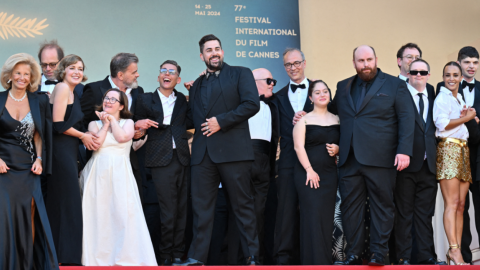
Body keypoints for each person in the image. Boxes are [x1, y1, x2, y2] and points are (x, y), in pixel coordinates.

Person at [176, 34, 260, 266]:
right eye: (209, 50)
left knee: (242, 206)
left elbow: (252, 104)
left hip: (234, 151)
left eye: (217, 49)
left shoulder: (241, 73)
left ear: (222, 51)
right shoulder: (196, 85)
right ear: (201, 55)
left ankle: (252, 256)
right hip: (203, 155)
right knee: (201, 209)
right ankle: (196, 257)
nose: (214, 53)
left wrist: (221, 121)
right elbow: (193, 118)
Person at [330, 45, 415, 266]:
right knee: (350, 209)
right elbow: (329, 110)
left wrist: (404, 150)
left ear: (376, 59)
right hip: (349, 158)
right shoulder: (343, 86)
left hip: (382, 157)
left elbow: (407, 119)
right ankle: (354, 253)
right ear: (354, 62)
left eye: (369, 59)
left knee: (382, 206)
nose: (365, 64)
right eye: (361, 61)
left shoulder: (395, 85)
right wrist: (307, 110)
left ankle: (379, 253)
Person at [80, 88, 157, 266]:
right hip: (98, 171)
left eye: (113, 99)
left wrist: (113, 120)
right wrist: (105, 123)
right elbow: (96, 143)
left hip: (121, 172)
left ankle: (125, 257)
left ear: (122, 105)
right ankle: (98, 259)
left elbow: (122, 138)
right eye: (106, 98)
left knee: (123, 213)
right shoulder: (93, 124)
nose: (108, 101)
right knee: (98, 213)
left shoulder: (128, 122)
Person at [0, 53, 58, 270]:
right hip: (3, 167)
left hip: (28, 166)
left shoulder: (39, 100)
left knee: (29, 215)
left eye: (26, 74)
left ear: (32, 77)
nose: (22, 77)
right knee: (5, 217)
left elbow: (39, 134)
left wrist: (40, 159)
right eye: (18, 73)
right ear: (10, 76)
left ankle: (26, 264)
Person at [134, 60, 191, 265]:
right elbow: (136, 124)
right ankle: (165, 255)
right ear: (158, 76)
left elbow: (192, 120)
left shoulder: (184, 101)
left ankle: (178, 254)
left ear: (178, 79)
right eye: (163, 71)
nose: (167, 74)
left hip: (182, 159)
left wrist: (193, 93)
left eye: (172, 72)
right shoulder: (145, 99)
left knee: (182, 209)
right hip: (159, 159)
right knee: (168, 210)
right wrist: (138, 125)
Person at [80, 52, 154, 203]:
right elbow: (81, 123)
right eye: (134, 72)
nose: (138, 75)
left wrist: (141, 130)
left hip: (129, 162)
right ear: (120, 75)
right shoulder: (93, 90)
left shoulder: (138, 92)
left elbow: (136, 121)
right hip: (99, 165)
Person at [394, 59, 446, 265]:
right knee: (404, 214)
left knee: (425, 215)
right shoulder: (399, 95)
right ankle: (403, 257)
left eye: (422, 72)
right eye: (414, 72)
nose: (418, 75)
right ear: (408, 73)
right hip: (406, 164)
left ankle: (426, 256)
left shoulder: (434, 96)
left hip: (428, 165)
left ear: (428, 75)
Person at [227, 68, 280, 265]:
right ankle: (236, 259)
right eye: (269, 80)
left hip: (265, 162)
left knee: (259, 211)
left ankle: (255, 258)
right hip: (243, 159)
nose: (272, 83)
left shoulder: (274, 103)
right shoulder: (239, 102)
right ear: (254, 81)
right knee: (241, 211)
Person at [47, 54, 96, 265]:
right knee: (67, 204)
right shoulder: (62, 88)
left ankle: (62, 256)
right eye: (72, 67)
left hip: (68, 152)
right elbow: (58, 124)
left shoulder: (75, 92)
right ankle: (62, 257)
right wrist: (83, 136)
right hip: (59, 153)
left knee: (66, 204)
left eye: (80, 68)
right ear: (63, 70)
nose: (77, 71)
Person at [437, 47, 480, 263]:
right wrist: (468, 117)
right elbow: (442, 124)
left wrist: (471, 116)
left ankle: (460, 253)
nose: (452, 79)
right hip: (450, 150)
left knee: (461, 205)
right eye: (448, 75)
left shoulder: (459, 98)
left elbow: (469, 117)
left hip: (469, 153)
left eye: (455, 76)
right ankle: (455, 250)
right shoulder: (442, 95)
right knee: (452, 203)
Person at [272, 48, 313, 265]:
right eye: (288, 65)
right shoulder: (278, 97)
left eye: (297, 63)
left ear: (304, 63)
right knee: (285, 210)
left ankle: (310, 257)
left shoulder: (320, 90)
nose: (293, 68)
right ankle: (283, 259)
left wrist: (311, 117)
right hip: (287, 159)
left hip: (314, 159)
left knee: (311, 210)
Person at [292, 80, 339, 265]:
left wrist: (338, 148)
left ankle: (325, 263)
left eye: (325, 91)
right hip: (307, 175)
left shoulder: (338, 119)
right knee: (312, 217)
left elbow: (347, 143)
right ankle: (312, 263)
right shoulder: (303, 120)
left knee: (327, 219)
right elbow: (298, 147)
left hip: (329, 175)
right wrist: (309, 170)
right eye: (317, 92)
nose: (322, 94)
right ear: (310, 98)